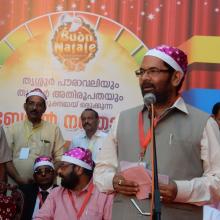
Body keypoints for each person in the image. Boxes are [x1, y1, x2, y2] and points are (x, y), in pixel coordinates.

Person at [94, 45, 220, 220]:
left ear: (176, 77)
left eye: (153, 71)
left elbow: (217, 181)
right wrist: (113, 181)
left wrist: (179, 190)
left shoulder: (204, 123)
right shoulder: (123, 119)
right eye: (142, 72)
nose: (145, 78)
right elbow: (101, 171)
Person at [4, 88, 65, 184]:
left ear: (44, 109)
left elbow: (60, 158)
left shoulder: (54, 129)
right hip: (15, 185)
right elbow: (6, 159)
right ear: (25, 106)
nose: (34, 108)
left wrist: (47, 176)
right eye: (31, 103)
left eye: (39, 105)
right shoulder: (13, 128)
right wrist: (18, 178)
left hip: (44, 187)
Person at [34, 147, 113, 220]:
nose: (59, 171)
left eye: (63, 166)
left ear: (79, 169)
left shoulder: (104, 195)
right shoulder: (55, 193)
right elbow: (41, 218)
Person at [19, 155, 57, 220]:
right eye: (39, 172)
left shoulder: (61, 193)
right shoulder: (25, 191)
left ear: (54, 174)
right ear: (34, 176)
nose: (43, 174)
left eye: (47, 171)